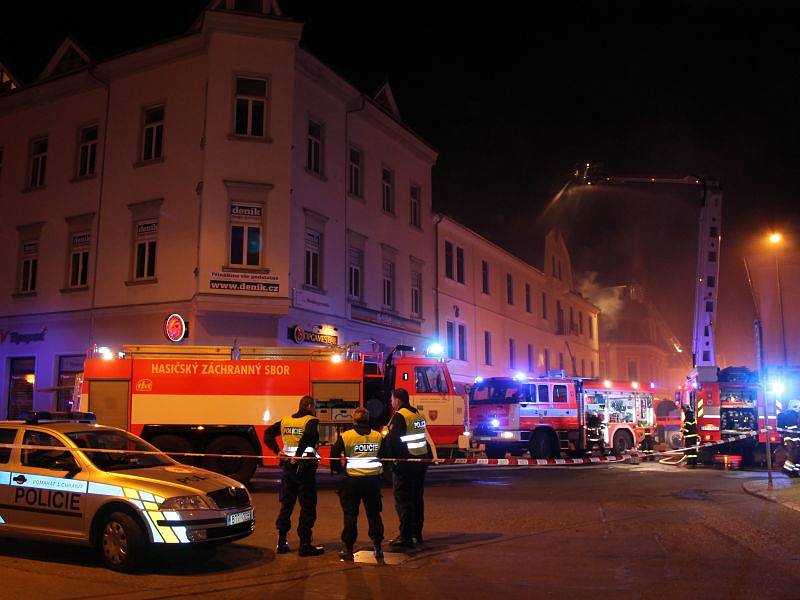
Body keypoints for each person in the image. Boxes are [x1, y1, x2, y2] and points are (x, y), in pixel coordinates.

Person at [263, 395, 325, 556]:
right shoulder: (311, 421)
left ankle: (281, 542)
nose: (315, 410)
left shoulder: (286, 420)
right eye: (315, 407)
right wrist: (296, 456)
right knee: (308, 506)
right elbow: (308, 437)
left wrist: (278, 452)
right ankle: (305, 544)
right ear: (310, 406)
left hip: (288, 469)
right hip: (304, 469)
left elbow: (267, 434)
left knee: (287, 504)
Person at [384, 388, 438, 548]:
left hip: (405, 464)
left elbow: (393, 442)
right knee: (416, 499)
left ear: (398, 400)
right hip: (419, 462)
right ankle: (417, 533)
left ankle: (405, 536)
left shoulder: (400, 416)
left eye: (392, 399)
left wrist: (391, 461)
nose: (391, 402)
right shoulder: (417, 414)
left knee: (403, 500)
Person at [330, 407, 386, 561]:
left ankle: (348, 549)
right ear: (368, 420)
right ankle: (378, 547)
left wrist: (340, 470)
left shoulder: (346, 436)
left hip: (352, 481)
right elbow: (386, 455)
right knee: (374, 514)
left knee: (350, 515)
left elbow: (334, 455)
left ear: (354, 420)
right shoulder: (377, 436)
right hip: (372, 481)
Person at [778, 400, 800, 477]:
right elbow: (795, 428)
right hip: (794, 438)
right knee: (795, 454)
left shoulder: (785, 414)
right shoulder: (793, 415)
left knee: (796, 455)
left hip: (789, 438)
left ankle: (794, 471)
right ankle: (787, 470)